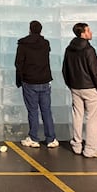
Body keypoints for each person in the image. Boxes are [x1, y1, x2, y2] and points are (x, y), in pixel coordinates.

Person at [62, 22, 97, 158]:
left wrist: (70, 84)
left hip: (75, 87)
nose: (90, 32)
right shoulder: (88, 50)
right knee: (93, 118)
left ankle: (76, 144)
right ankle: (91, 149)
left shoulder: (69, 48)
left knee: (77, 116)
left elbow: (65, 69)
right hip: (90, 87)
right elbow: (94, 71)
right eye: (88, 30)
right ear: (82, 33)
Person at [15, 20, 58, 148]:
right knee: (46, 111)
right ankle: (51, 138)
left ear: (30, 29)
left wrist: (20, 79)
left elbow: (18, 63)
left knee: (33, 111)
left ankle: (34, 138)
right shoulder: (45, 44)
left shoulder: (23, 44)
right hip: (44, 80)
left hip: (29, 81)